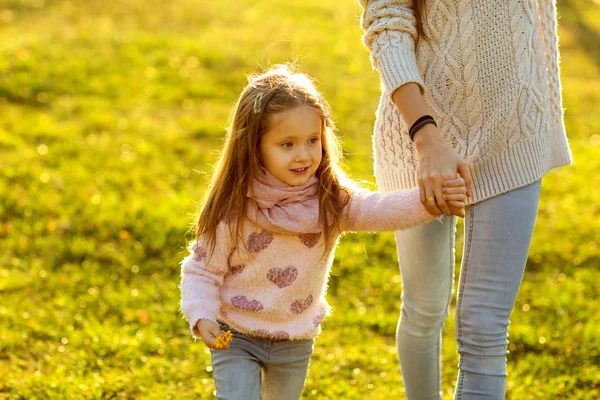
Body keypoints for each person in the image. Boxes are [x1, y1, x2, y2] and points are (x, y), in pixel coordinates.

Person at [179, 64, 467, 400]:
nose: (303, 155)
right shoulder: (235, 207)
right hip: (236, 334)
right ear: (254, 146)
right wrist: (201, 315)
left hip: (294, 338)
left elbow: (378, 210)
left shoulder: (328, 201)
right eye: (287, 144)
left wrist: (430, 201)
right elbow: (202, 268)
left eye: (312, 140)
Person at [358, 0, 572, 399]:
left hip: (515, 130)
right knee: (424, 309)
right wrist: (426, 138)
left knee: (485, 326)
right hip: (418, 137)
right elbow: (387, 23)